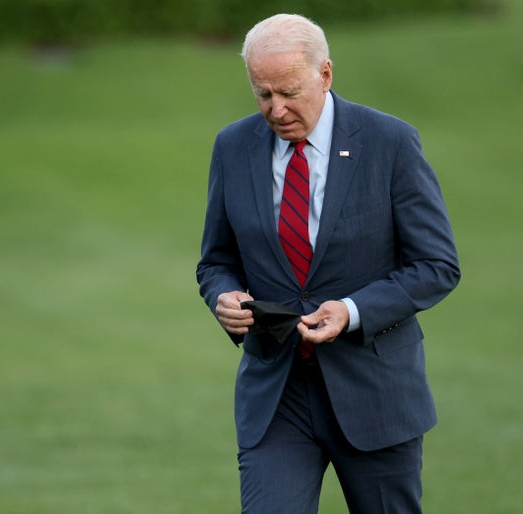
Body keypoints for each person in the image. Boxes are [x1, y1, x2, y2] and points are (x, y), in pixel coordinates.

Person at [196, 13, 461, 514]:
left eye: (289, 92)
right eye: (262, 93)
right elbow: (217, 260)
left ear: (325, 74)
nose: (275, 109)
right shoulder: (232, 147)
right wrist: (223, 295)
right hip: (276, 394)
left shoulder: (390, 143)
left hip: (375, 394)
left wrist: (352, 310)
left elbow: (436, 264)